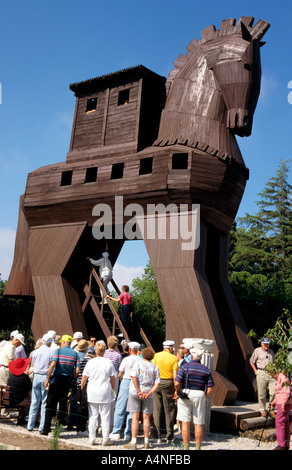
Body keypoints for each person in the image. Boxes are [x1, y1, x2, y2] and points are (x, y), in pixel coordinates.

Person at [175, 346, 214, 450]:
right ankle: (198, 447)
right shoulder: (206, 369)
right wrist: (204, 397)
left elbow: (177, 382)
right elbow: (210, 388)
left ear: (191, 356)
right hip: (199, 394)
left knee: (185, 422)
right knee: (198, 423)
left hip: (185, 393)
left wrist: (178, 391)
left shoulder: (184, 367)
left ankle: (186, 447)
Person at [41, 335, 80, 435]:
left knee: (50, 404)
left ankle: (46, 429)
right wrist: (73, 377)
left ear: (63, 342)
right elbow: (77, 370)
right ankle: (57, 430)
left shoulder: (58, 351)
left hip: (56, 379)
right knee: (62, 405)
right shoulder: (75, 354)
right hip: (66, 381)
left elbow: (53, 364)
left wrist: (47, 378)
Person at [124, 347, 161, 450]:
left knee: (135, 417)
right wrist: (150, 392)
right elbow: (157, 382)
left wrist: (138, 390)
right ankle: (146, 441)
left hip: (135, 392)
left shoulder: (138, 364)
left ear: (143, 355)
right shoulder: (154, 367)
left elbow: (134, 377)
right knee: (146, 418)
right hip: (148, 394)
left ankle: (134, 441)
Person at [80, 341, 115, 446]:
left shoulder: (90, 362)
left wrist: (82, 389)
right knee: (105, 416)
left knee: (92, 415)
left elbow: (84, 377)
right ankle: (105, 438)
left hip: (92, 390)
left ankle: (92, 437)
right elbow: (112, 377)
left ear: (95, 350)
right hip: (104, 390)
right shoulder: (108, 362)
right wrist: (113, 389)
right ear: (104, 351)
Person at [110, 341, 141, 441]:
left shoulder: (126, 359)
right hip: (137, 382)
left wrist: (121, 381)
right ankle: (128, 433)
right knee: (132, 409)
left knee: (120, 407)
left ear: (130, 349)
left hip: (126, 380)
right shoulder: (140, 360)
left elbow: (120, 373)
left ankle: (116, 431)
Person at [26, 334, 54, 432]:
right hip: (46, 377)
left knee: (34, 401)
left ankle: (30, 425)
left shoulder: (35, 352)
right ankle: (42, 426)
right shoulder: (52, 352)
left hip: (36, 376)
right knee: (44, 402)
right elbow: (52, 366)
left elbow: (32, 364)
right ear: (50, 342)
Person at [152, 340, 178, 442]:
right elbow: (175, 375)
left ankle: (156, 436)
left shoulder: (156, 356)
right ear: (171, 348)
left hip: (157, 383)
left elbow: (153, 370)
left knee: (156, 409)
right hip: (168, 383)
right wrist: (176, 389)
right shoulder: (173, 358)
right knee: (169, 410)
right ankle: (169, 436)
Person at [250, 337, 276, 416]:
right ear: (261, 343)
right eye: (265, 344)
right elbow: (251, 361)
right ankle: (262, 410)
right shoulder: (257, 350)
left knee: (274, 392)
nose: (266, 345)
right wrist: (255, 371)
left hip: (271, 374)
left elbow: (274, 363)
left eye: (267, 344)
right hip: (261, 372)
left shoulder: (271, 351)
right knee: (262, 393)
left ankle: (271, 409)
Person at [270, 369, 292, 450]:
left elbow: (287, 392)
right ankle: (285, 444)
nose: (271, 376)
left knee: (279, 422)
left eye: (271, 374)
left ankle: (281, 445)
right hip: (282, 402)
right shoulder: (279, 378)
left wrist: (283, 404)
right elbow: (280, 392)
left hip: (284, 403)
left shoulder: (283, 377)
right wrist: (274, 402)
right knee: (285, 422)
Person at [104, 335, 122, 426]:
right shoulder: (118, 355)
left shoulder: (104, 353)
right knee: (112, 398)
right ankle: (110, 422)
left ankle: (100, 423)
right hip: (114, 375)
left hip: (104, 374)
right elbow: (119, 368)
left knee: (102, 397)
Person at [8, 357, 32, 423]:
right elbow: (29, 388)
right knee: (31, 401)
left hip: (8, 399)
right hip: (18, 400)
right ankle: (22, 417)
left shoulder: (11, 376)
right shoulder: (25, 377)